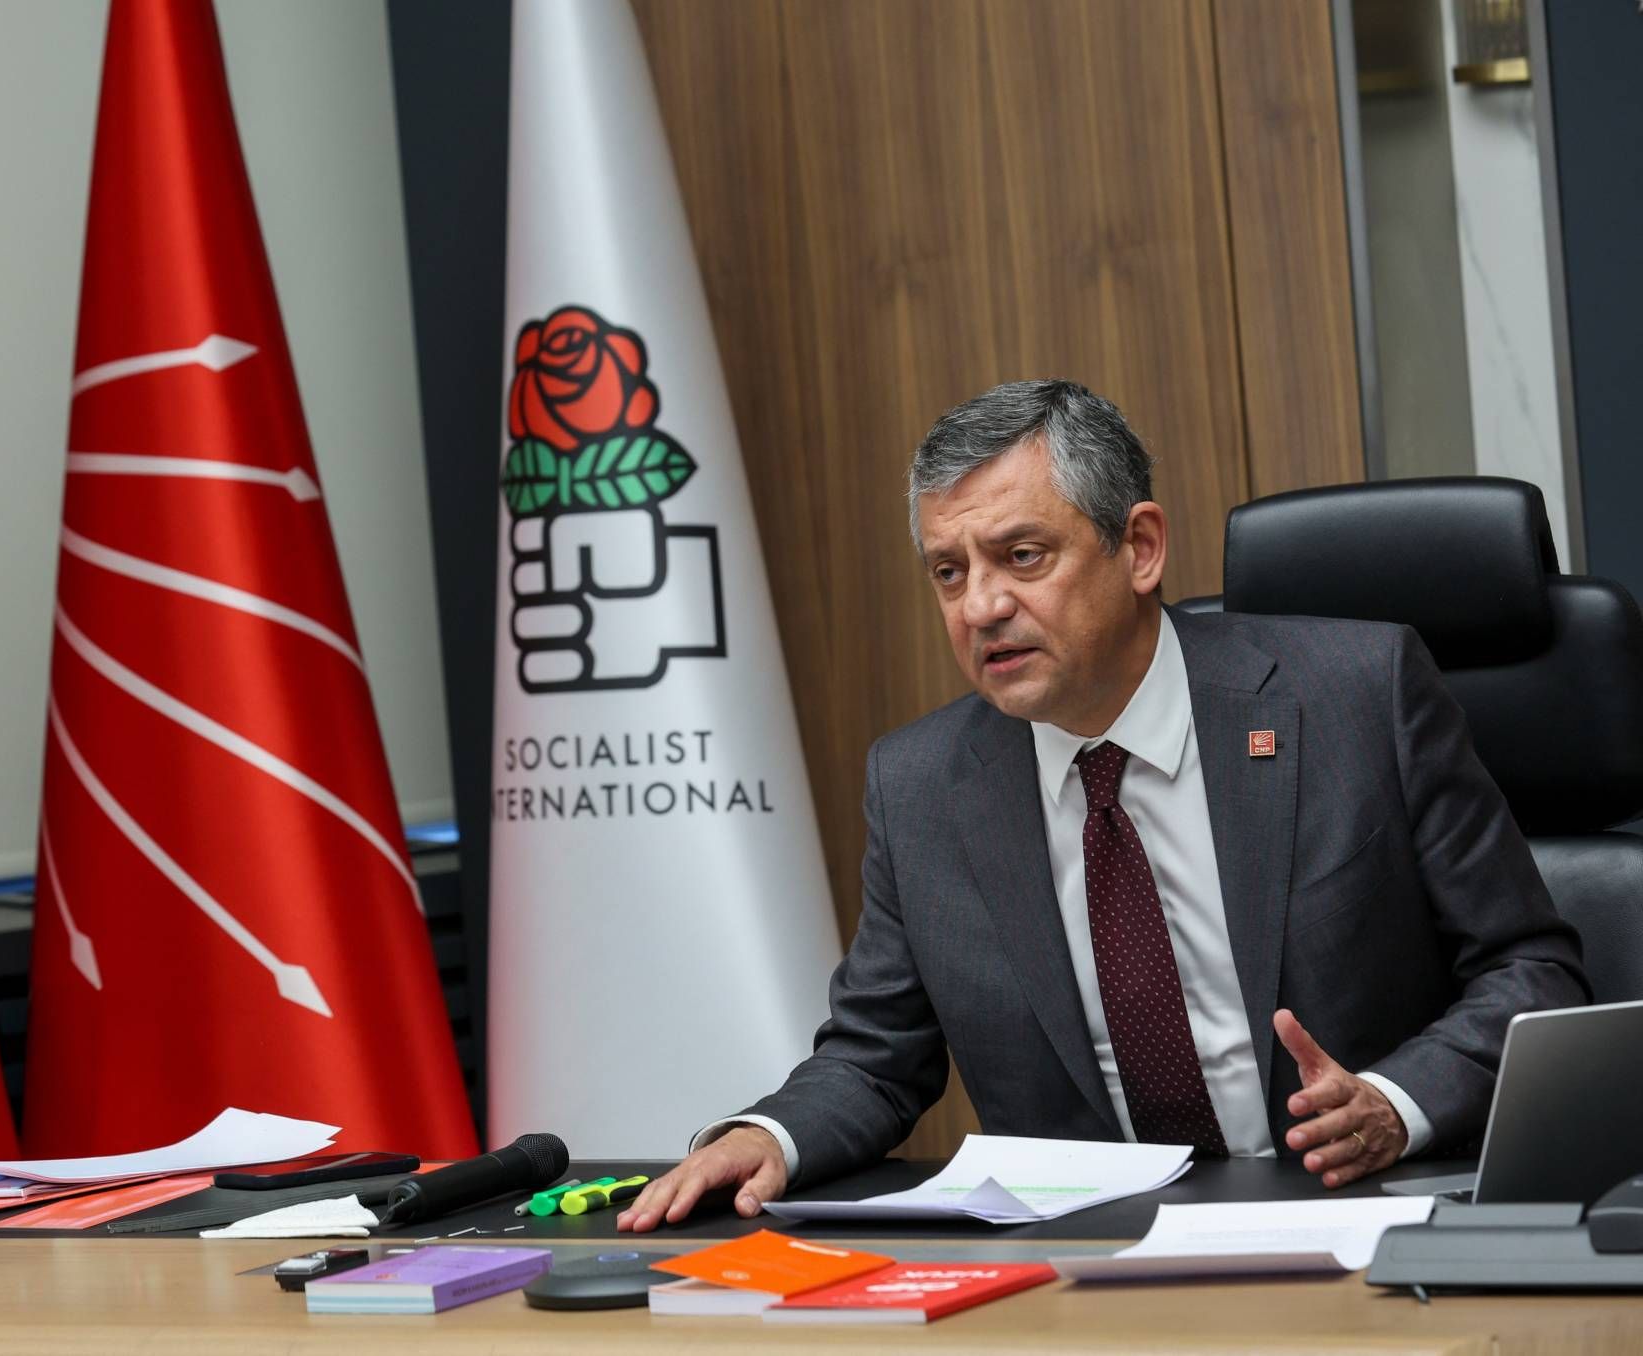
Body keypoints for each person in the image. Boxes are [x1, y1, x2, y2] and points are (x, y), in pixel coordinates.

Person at [619, 379, 1587, 1233]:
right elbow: (875, 1059)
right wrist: (767, 1135)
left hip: (1357, 1215)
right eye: (949, 572)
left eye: (1021, 556)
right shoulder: (920, 786)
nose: (980, 606)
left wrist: (1392, 1103)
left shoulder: (1356, 697)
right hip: (1089, 1261)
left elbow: (1529, 970)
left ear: (1140, 548)